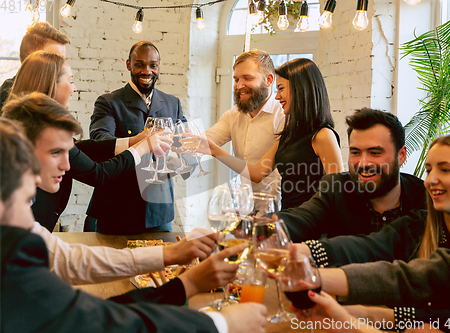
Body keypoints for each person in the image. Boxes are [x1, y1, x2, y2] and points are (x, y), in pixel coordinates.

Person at [0, 117, 268, 333]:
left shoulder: (19, 233)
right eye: (27, 200)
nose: (69, 164)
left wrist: (178, 269)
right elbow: (97, 319)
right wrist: (220, 324)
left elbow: (75, 265)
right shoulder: (14, 251)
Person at [2, 94, 236, 295]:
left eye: (67, 152)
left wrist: (171, 253)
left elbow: (73, 261)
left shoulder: (19, 214)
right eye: (55, 153)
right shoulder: (109, 102)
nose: (67, 165)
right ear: (21, 150)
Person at [293, 139, 450, 333]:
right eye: (428, 170)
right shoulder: (428, 228)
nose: (429, 181)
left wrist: (363, 318)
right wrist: (311, 272)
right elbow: (406, 276)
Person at [6, 51, 168, 232]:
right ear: (52, 85)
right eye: (71, 80)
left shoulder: (25, 123)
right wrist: (142, 147)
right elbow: (99, 175)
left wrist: (131, 141)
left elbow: (79, 149)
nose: (75, 88)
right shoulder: (46, 130)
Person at [205, 58, 343, 209]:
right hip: (288, 219)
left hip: (311, 223)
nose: (277, 97)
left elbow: (336, 192)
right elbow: (257, 173)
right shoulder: (289, 134)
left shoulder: (323, 135)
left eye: (281, 89)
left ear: (301, 89)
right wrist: (213, 150)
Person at [277, 108, 427, 243]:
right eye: (355, 152)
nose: (363, 163)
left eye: (375, 153)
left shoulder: (424, 199)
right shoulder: (337, 189)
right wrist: (262, 225)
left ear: (401, 155)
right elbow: (301, 219)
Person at [88, 41, 188, 234]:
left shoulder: (172, 102)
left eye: (153, 65)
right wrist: (139, 141)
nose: (147, 71)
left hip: (159, 210)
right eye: (140, 64)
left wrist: (181, 155)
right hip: (116, 208)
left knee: (160, 264)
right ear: (129, 65)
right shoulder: (108, 102)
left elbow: (183, 142)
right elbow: (100, 142)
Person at [204, 49, 285, 204]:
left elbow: (266, 174)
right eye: (236, 80)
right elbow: (206, 139)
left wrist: (211, 149)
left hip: (277, 209)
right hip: (244, 206)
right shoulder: (233, 115)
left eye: (247, 78)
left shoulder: (283, 116)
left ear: (269, 80)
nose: (239, 85)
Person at [0, 22, 69, 110]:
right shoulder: (8, 96)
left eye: (62, 60)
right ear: (32, 59)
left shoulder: (52, 92)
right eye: (53, 58)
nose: (61, 66)